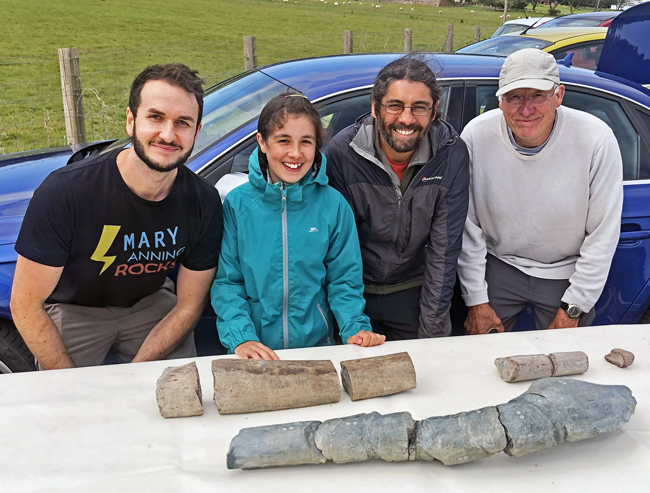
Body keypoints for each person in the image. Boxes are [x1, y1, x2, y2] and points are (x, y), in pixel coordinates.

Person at [10, 63, 223, 369]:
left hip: (150, 303)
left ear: (196, 131)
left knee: (179, 394)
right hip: (74, 309)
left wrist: (135, 375)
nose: (168, 133)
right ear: (130, 120)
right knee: (67, 407)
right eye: (156, 117)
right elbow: (25, 305)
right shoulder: (66, 192)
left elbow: (189, 307)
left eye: (182, 123)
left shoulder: (203, 201)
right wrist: (71, 385)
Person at [457, 49, 623, 334]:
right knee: (478, 356)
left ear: (558, 95)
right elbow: (466, 225)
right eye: (514, 97)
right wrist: (476, 300)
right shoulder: (476, 135)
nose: (525, 109)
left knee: (566, 361)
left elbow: (602, 235)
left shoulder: (596, 138)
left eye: (537, 96)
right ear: (499, 101)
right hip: (499, 264)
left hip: (566, 270)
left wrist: (575, 306)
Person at [211, 94, 385, 360]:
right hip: (253, 354)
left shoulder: (333, 205)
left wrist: (355, 328)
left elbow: (344, 282)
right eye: (283, 140)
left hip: (317, 352)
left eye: (306, 141)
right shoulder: (237, 205)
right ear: (262, 142)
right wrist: (241, 338)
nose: (295, 153)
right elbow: (227, 283)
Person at [325, 55, 470, 340]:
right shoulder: (343, 153)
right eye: (395, 106)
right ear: (375, 107)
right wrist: (351, 321)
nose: (406, 118)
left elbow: (445, 250)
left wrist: (431, 334)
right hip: (351, 296)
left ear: (435, 110)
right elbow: (336, 250)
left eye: (419, 108)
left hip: (413, 294)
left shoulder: (451, 154)